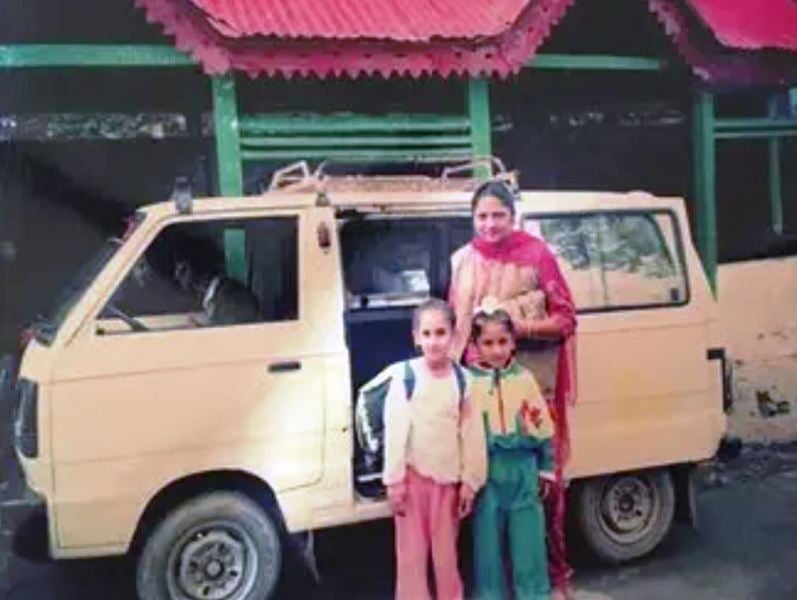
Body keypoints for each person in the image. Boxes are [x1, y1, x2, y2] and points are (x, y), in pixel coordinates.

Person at [448, 179, 577, 592]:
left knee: (541, 497)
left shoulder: (535, 254)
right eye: (482, 216)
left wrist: (519, 326)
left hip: (530, 388)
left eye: (498, 215)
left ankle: (548, 582)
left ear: (513, 216)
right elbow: (455, 331)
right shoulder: (461, 261)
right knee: (483, 504)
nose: (490, 224)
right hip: (479, 395)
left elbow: (566, 318)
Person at [382, 298, 487, 600]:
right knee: (411, 558)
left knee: (446, 557)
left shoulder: (463, 380)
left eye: (441, 333)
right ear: (416, 337)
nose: (434, 341)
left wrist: (470, 481)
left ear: (453, 335)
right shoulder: (405, 377)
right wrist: (394, 481)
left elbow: (472, 434)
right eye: (426, 334)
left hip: (448, 484)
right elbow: (396, 432)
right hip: (413, 481)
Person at [469, 307, 555, 600]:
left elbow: (542, 425)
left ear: (513, 342)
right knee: (487, 546)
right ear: (475, 345)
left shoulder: (525, 379)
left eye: (502, 342)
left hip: (523, 470)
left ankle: (534, 594)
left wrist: (546, 466)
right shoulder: (468, 383)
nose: (496, 350)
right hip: (486, 473)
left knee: (528, 541)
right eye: (488, 343)